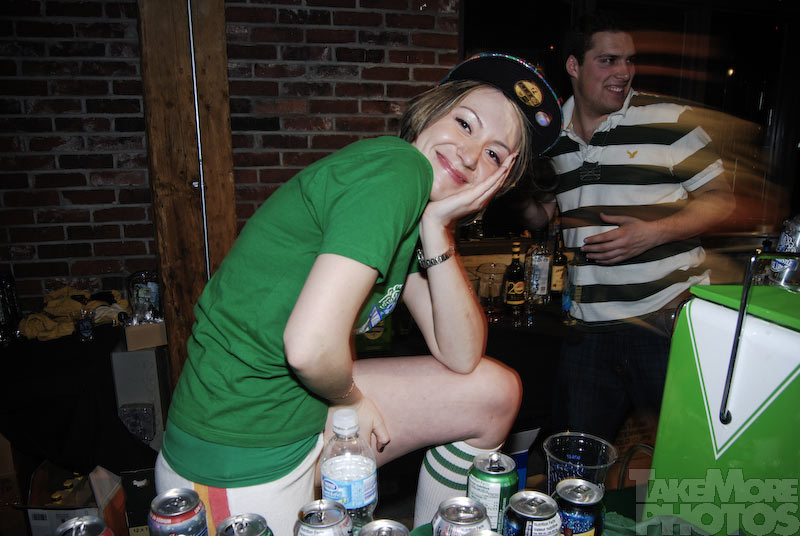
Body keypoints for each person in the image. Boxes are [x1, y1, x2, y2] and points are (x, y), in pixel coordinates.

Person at [154, 53, 562, 536]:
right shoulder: (397, 170)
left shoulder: (412, 209)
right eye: (464, 124)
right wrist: (349, 400)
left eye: (494, 154)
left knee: (492, 393)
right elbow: (309, 348)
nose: (471, 155)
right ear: (430, 113)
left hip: (294, 410)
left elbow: (462, 355)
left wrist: (437, 229)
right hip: (238, 450)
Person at [519, 13, 735, 443]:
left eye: (629, 61)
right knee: (576, 461)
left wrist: (653, 233)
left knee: (685, 453)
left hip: (664, 322)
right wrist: (516, 190)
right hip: (587, 330)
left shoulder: (670, 119)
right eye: (608, 60)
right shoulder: (551, 137)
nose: (624, 72)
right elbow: (542, 215)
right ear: (574, 65)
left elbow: (721, 201)